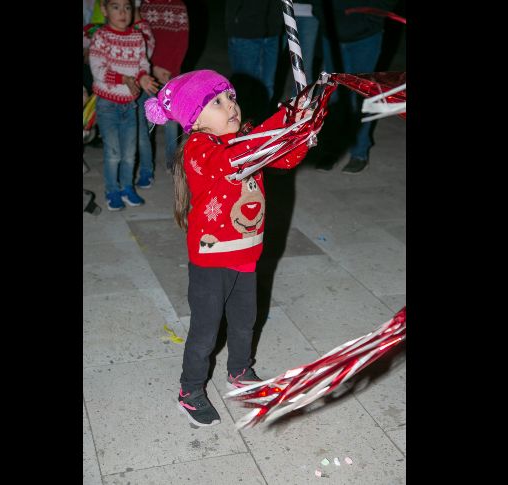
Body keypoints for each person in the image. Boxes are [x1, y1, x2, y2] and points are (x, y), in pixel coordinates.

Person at [144, 69, 313, 426]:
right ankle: (190, 391)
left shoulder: (245, 141)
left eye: (231, 97)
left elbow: (284, 158)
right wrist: (283, 119)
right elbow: (233, 161)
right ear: (195, 119)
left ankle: (240, 371)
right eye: (217, 102)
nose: (231, 106)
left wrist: (301, 131)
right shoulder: (199, 149)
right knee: (205, 333)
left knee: (244, 321)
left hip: (246, 253)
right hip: (212, 258)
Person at [89, 0, 159, 210]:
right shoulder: (101, 36)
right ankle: (112, 190)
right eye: (115, 7)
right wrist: (124, 79)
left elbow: (142, 63)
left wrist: (143, 77)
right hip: (107, 105)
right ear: (104, 10)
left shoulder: (137, 37)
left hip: (130, 105)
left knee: (129, 153)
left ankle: (127, 187)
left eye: (127, 7)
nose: (122, 12)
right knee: (114, 153)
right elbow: (97, 68)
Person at [317, 0, 398, 174]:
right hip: (331, 34)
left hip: (365, 36)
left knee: (361, 95)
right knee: (333, 94)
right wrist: (323, 16)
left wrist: (371, 18)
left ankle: (359, 152)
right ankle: (333, 149)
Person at [135, 0, 190, 187]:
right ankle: (146, 169)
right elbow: (140, 40)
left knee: (171, 121)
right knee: (145, 124)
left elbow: (182, 41)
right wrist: (151, 68)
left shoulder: (178, 6)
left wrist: (172, 72)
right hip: (147, 73)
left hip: (170, 75)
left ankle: (172, 162)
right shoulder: (144, 5)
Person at [224, 0, 283, 123]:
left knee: (268, 87)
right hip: (245, 30)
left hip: (272, 31)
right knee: (244, 90)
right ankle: (240, 128)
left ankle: (260, 127)